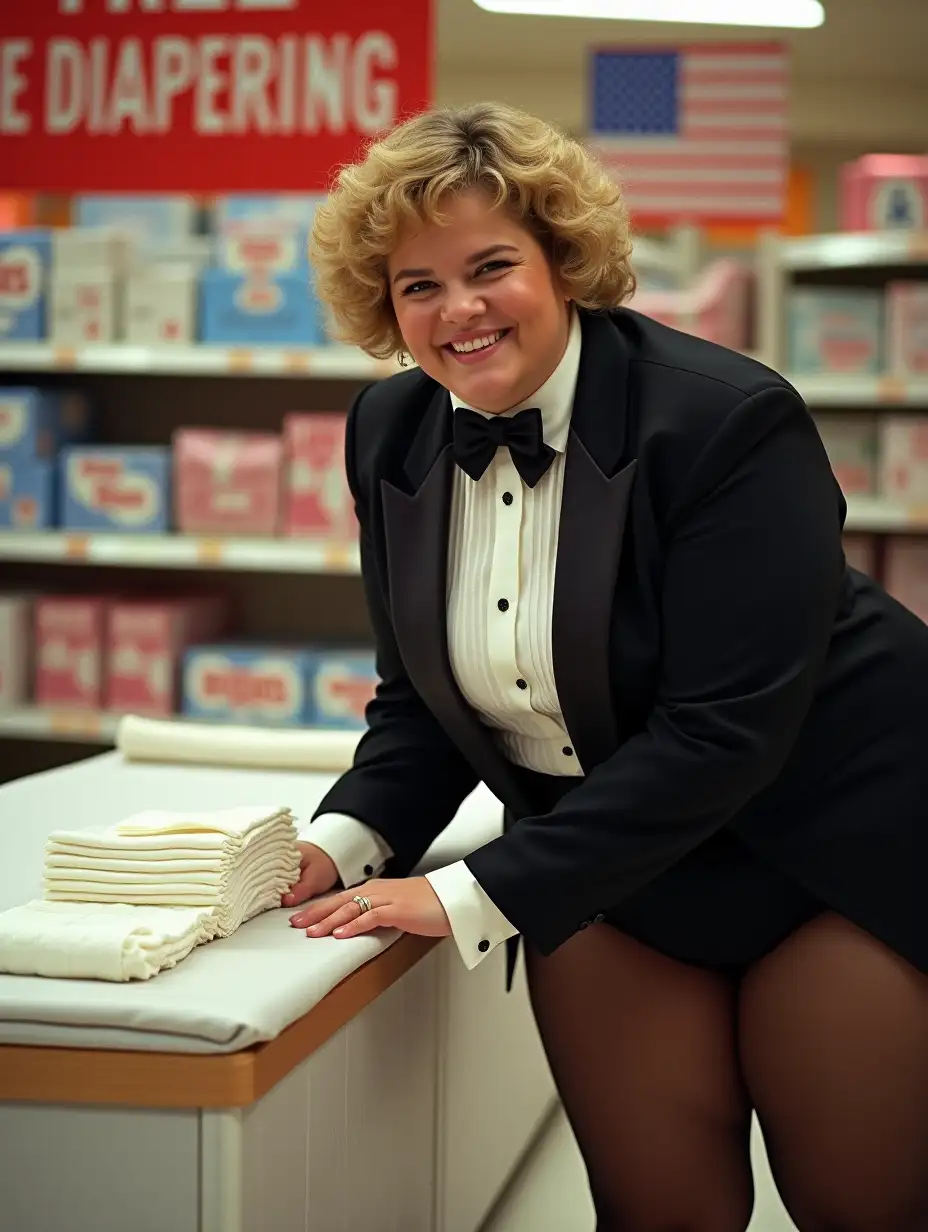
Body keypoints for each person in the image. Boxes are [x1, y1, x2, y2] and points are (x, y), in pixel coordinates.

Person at [283, 102, 927, 1232]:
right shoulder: (388, 427)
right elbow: (421, 702)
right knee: (656, 1206)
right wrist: (335, 845)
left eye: (492, 266)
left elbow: (726, 728)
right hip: (612, 861)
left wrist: (466, 888)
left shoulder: (725, 420)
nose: (459, 310)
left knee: (857, 1199)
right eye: (417, 284)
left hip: (833, 844)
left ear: (564, 261)